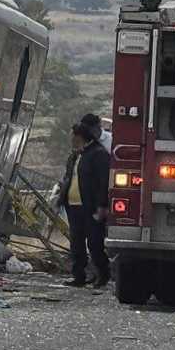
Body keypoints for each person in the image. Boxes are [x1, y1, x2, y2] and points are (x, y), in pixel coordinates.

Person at [60, 121, 111, 288]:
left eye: (73, 136)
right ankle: (79, 276)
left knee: (95, 243)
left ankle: (103, 275)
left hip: (90, 207)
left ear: (80, 137)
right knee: (76, 243)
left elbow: (104, 182)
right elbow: (69, 177)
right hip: (73, 205)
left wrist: (102, 206)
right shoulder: (76, 155)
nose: (71, 139)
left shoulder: (98, 154)